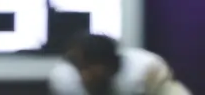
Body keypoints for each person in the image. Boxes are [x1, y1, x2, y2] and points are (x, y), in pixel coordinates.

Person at [49, 33, 191, 95]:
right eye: (82, 68)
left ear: (111, 65)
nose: (86, 76)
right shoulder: (65, 79)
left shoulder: (147, 71)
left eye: (90, 67)